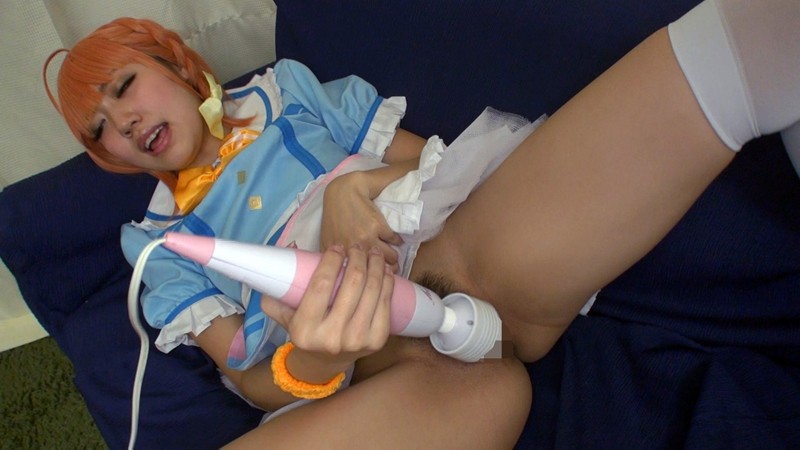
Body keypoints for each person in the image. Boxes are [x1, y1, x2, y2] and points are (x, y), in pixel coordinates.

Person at [44, 17, 531, 448]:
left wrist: (351, 188)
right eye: (99, 130)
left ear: (172, 61)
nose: (124, 124)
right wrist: (317, 362)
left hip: (446, 253)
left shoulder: (287, 92)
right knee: (498, 390)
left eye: (125, 85)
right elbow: (251, 380)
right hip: (380, 371)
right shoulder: (157, 245)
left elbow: (443, 166)